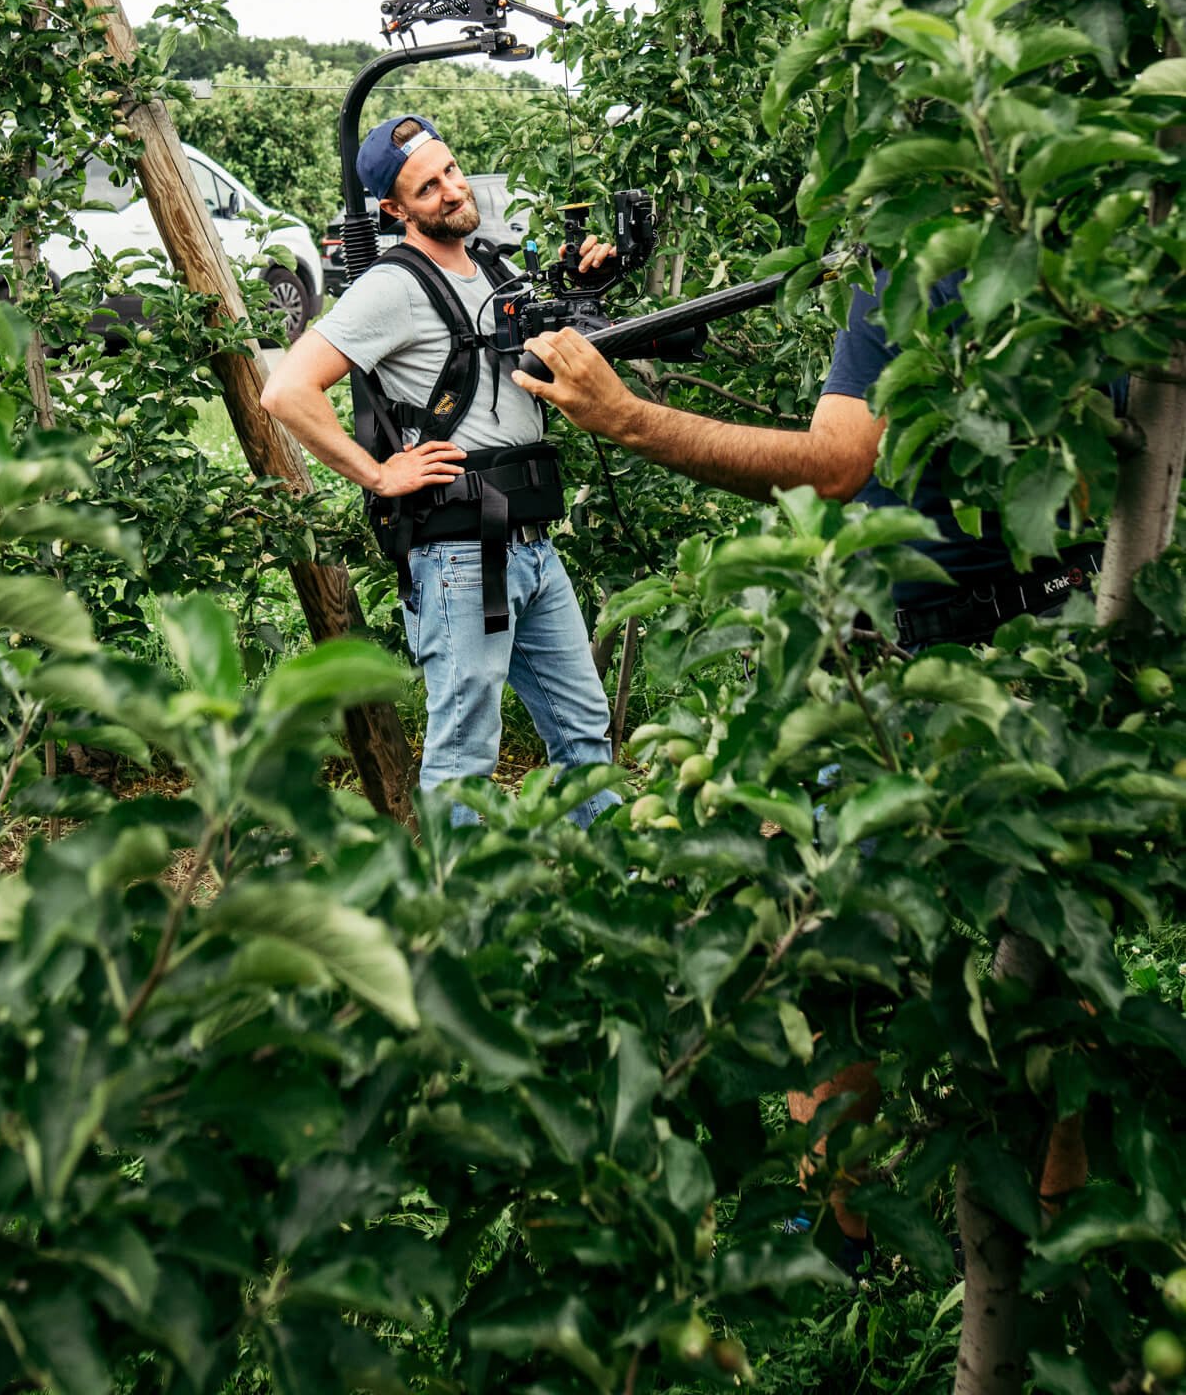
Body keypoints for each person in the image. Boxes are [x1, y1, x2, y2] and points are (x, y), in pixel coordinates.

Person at [513, 265, 1098, 1258]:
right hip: (1068, 640)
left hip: (904, 662)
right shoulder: (1120, 262)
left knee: (826, 950)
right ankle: (1050, 1255)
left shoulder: (924, 264)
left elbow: (835, 464)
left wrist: (628, 419)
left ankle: (854, 1238)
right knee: (1057, 950)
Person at [260, 114, 621, 828]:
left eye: (452, 172)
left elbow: (548, 338)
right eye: (428, 188)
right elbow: (286, 390)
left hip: (532, 546)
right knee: (464, 758)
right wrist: (377, 474)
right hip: (459, 552)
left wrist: (584, 287)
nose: (452, 191)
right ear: (394, 210)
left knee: (585, 732)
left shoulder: (491, 267)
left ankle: (608, 879)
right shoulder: (391, 287)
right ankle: (456, 920)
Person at [513, 268, 1101, 648]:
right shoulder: (1080, 273)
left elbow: (833, 468)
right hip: (1071, 621)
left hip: (957, 652)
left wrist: (627, 418)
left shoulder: (905, 280)